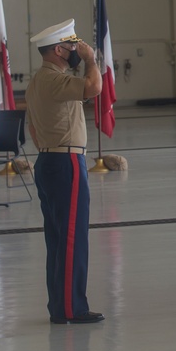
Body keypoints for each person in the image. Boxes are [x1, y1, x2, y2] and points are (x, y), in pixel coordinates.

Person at [25, 19, 104, 325]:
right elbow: (94, 87)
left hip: (48, 160)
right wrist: (90, 59)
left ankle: (61, 307)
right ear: (59, 50)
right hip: (64, 162)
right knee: (72, 237)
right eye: (72, 46)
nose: (76, 49)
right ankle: (73, 309)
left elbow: (32, 126)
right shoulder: (53, 79)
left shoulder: (38, 81)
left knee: (58, 239)